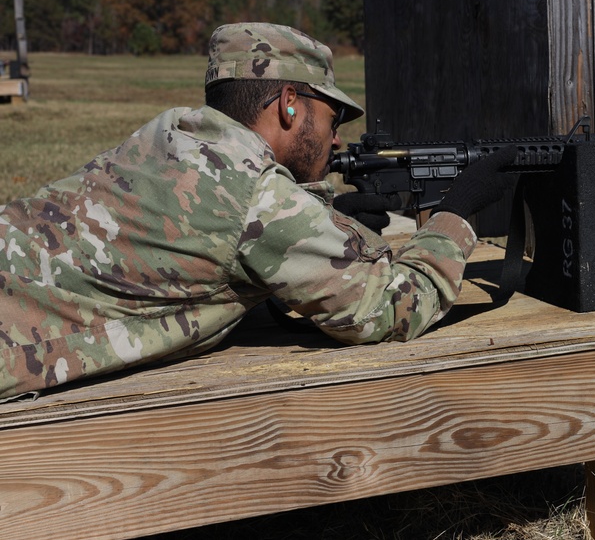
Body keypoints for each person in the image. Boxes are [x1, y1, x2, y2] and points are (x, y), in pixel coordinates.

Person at [0, 22, 516, 400]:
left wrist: (328, 215)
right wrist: (459, 211)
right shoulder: (256, 198)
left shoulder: (168, 135)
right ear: (290, 103)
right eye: (331, 116)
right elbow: (391, 309)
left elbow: (222, 232)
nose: (337, 138)